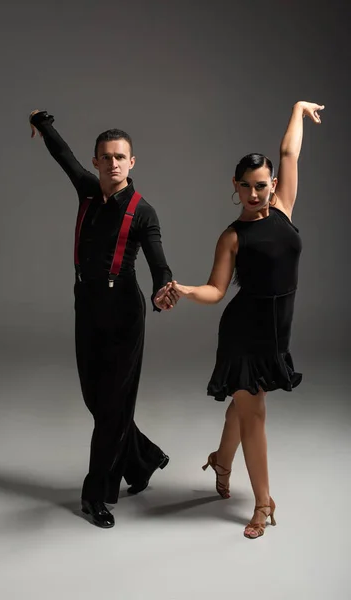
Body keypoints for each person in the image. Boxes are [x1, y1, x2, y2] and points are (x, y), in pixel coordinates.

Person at [167, 101, 324, 539]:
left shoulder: (284, 210)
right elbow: (217, 291)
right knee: (254, 413)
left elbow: (289, 152)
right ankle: (262, 503)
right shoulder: (232, 236)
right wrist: (185, 289)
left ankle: (220, 460)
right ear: (235, 188)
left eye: (261, 186)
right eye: (246, 188)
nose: (255, 195)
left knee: (242, 404)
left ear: (273, 185)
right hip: (243, 331)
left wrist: (297, 110)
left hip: (278, 330)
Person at [29, 109, 176, 529]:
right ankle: (144, 457)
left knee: (111, 407)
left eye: (120, 157)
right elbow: (63, 155)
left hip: (124, 313)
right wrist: (41, 123)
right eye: (105, 157)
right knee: (97, 400)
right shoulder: (88, 190)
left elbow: (159, 263)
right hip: (86, 305)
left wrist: (163, 289)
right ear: (97, 162)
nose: (113, 163)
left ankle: (95, 494)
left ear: (132, 162)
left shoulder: (143, 211)